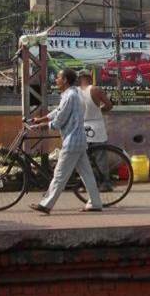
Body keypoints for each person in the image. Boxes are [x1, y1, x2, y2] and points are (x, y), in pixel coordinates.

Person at [29, 69, 102, 214]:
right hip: (78, 141)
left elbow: (59, 120)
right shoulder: (70, 94)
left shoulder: (71, 96)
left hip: (72, 141)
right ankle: (95, 203)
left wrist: (41, 126)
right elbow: (58, 111)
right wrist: (41, 119)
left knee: (59, 174)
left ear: (65, 80)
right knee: (87, 175)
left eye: (58, 77)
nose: (56, 79)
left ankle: (46, 204)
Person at [77, 69, 113, 191]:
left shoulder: (75, 92)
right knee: (100, 157)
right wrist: (99, 110)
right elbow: (109, 105)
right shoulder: (95, 90)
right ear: (90, 76)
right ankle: (105, 183)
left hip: (82, 128)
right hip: (97, 127)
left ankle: (86, 184)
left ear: (79, 78)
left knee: (85, 158)